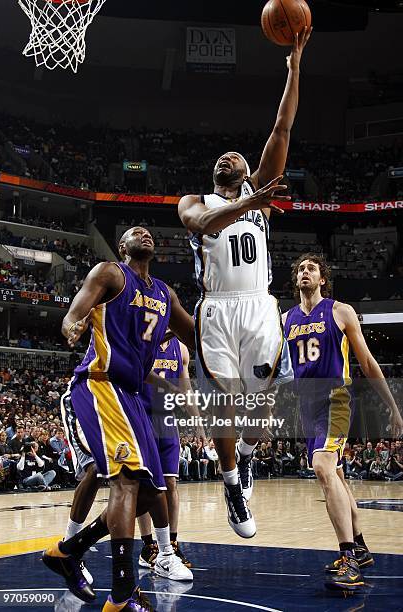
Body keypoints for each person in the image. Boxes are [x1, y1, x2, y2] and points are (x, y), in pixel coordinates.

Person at [178, 27, 311, 539]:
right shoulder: (197, 201)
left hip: (258, 306)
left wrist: (294, 69)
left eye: (237, 156)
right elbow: (199, 225)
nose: (228, 157)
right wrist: (247, 205)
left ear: (246, 171)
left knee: (262, 405)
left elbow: (282, 127)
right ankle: (232, 483)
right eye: (223, 159)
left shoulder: (258, 188)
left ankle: (249, 458)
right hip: (217, 308)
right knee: (226, 401)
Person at [43, 226, 195, 612]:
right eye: (134, 232)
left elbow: (197, 335)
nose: (144, 232)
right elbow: (75, 313)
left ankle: (69, 550)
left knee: (151, 492)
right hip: (100, 384)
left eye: (148, 231)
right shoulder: (110, 273)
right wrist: (72, 326)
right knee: (124, 481)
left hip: (131, 395)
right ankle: (122, 596)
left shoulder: (165, 293)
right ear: (123, 246)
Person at [283, 253, 403, 592]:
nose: (305, 271)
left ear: (323, 279)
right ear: (296, 280)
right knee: (334, 475)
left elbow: (366, 361)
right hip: (306, 405)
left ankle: (349, 559)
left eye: (311, 268)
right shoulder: (285, 319)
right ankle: (361, 547)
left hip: (335, 400)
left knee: (323, 465)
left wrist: (393, 408)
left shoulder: (340, 311)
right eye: (301, 269)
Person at [137, 336, 195, 569]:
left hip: (168, 419)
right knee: (146, 484)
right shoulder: (142, 339)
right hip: (143, 416)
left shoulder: (180, 348)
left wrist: (198, 422)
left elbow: (186, 388)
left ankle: (171, 544)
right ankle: (148, 545)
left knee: (171, 484)